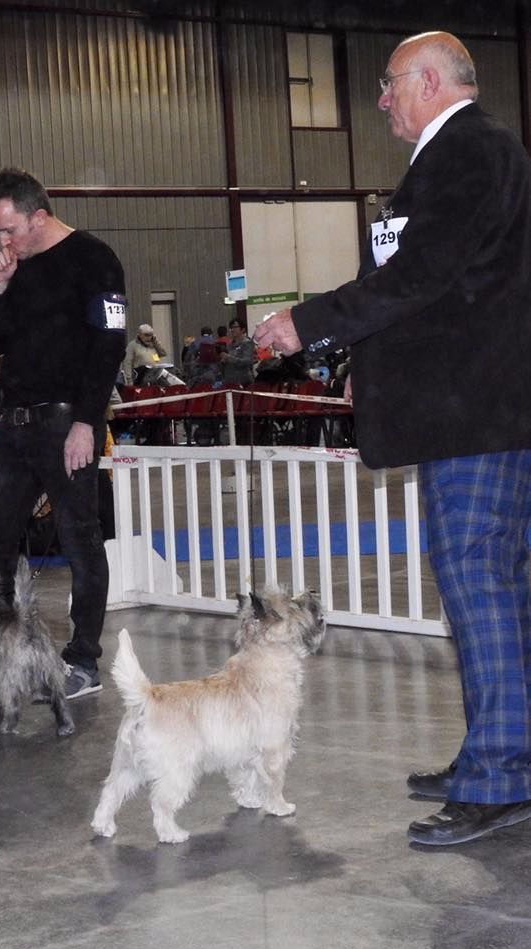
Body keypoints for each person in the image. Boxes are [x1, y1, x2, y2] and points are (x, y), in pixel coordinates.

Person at [254, 31, 531, 847]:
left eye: (388, 85)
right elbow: (450, 293)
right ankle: (497, 751)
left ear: (429, 81)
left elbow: (419, 278)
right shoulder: (478, 156)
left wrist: (304, 324)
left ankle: (501, 775)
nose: (379, 102)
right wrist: (371, 370)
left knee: (478, 587)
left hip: (474, 416)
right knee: (498, 590)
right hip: (482, 408)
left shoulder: (468, 154)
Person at [0, 167, 126, 701]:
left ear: (39, 217)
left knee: (80, 540)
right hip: (14, 425)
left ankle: (83, 661)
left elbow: (109, 347)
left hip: (66, 419)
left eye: (10, 231)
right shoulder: (13, 269)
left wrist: (86, 423)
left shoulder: (95, 260)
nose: (3, 242)